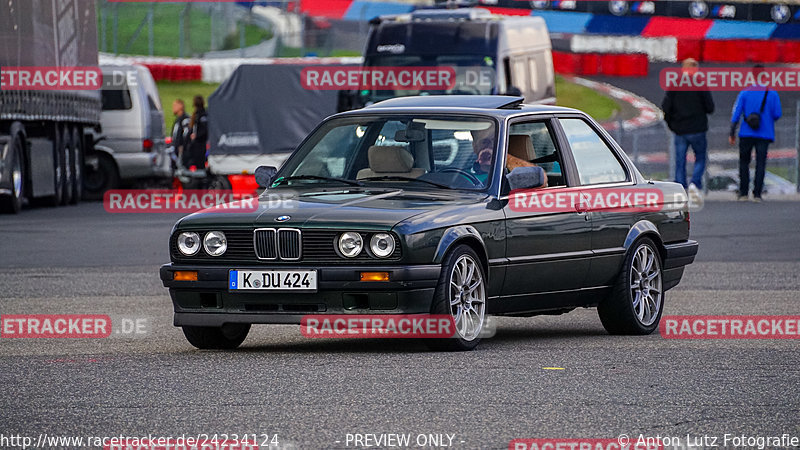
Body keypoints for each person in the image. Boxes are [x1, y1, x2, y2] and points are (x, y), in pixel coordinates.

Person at [662, 58, 714, 195]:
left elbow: (666, 107)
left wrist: (671, 124)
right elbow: (710, 107)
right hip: (698, 129)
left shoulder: (675, 84)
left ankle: (681, 186)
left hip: (680, 129)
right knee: (701, 158)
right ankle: (695, 183)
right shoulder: (700, 84)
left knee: (680, 160)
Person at [729, 64, 781, 202]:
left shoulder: (744, 93)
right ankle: (757, 194)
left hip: (746, 133)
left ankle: (743, 193)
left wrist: (732, 133)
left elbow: (736, 114)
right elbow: (777, 114)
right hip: (765, 134)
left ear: (752, 76)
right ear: (764, 76)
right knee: (761, 163)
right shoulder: (772, 93)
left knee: (744, 162)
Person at [470, 125, 546, 187]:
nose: (490, 146)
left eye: (495, 141)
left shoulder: (513, 173)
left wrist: (501, 157)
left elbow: (541, 180)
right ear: (475, 146)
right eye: (484, 142)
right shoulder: (460, 174)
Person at [186, 95, 209, 169]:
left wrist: (196, 136)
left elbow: (204, 130)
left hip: (199, 143)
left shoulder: (199, 115)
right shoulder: (201, 114)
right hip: (199, 142)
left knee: (198, 161)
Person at [171, 99, 190, 168]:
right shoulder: (178, 120)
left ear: (180, 106)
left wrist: (183, 145)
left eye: (175, 106)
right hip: (175, 151)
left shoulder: (185, 119)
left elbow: (187, 133)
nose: (173, 108)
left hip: (182, 151)